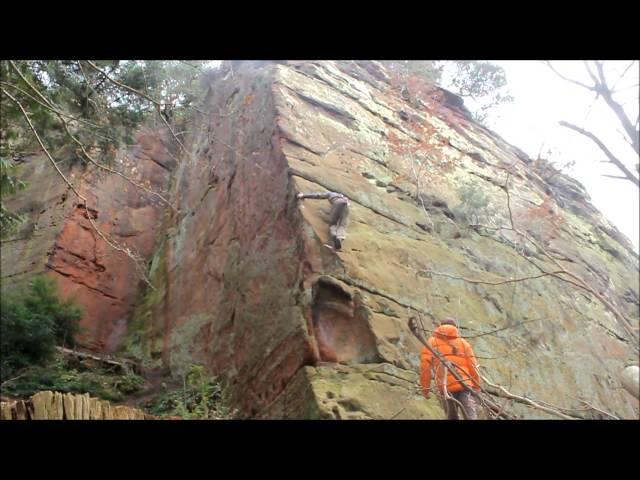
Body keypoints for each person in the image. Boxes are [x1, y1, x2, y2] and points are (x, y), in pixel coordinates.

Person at [420, 318, 481, 420]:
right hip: (465, 386)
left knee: (451, 417)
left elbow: (425, 368)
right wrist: (477, 386)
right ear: (455, 327)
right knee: (471, 416)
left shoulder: (431, 342)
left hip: (445, 387)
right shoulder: (463, 343)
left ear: (440, 326)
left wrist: (425, 389)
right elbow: (473, 365)